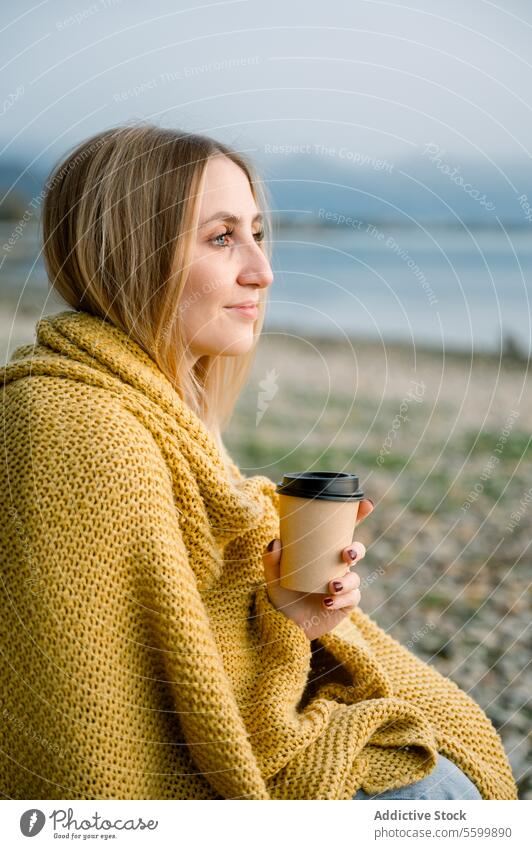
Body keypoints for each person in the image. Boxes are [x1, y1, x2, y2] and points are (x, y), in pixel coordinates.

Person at [0, 123, 517, 801]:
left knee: (441, 771)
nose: (262, 270)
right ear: (130, 253)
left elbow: (180, 650)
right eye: (221, 237)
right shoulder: (78, 428)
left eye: (258, 233)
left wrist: (288, 614)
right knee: (439, 795)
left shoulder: (154, 406)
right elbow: (97, 730)